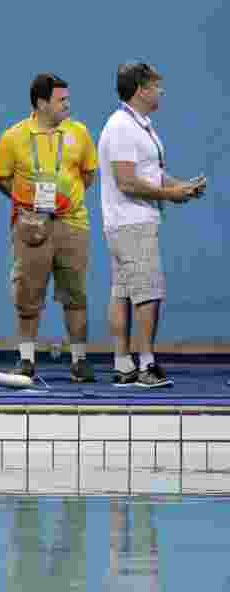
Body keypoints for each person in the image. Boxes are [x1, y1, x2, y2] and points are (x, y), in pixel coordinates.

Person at [98, 62, 206, 388]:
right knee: (148, 294)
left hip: (130, 221)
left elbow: (150, 174)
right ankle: (146, 365)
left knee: (123, 292)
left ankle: (123, 364)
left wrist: (179, 187)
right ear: (141, 89)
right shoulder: (121, 127)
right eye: (157, 86)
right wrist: (168, 194)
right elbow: (127, 182)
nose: (162, 91)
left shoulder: (140, 125)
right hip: (131, 223)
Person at [0, 73, 99, 382]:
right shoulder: (13, 137)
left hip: (72, 224)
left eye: (67, 99)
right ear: (41, 103)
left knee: (75, 295)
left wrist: (65, 199)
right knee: (28, 294)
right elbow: (1, 178)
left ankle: (79, 361)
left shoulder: (79, 133)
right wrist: (26, 199)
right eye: (61, 100)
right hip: (31, 225)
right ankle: (26, 359)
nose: (68, 104)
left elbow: (88, 175)